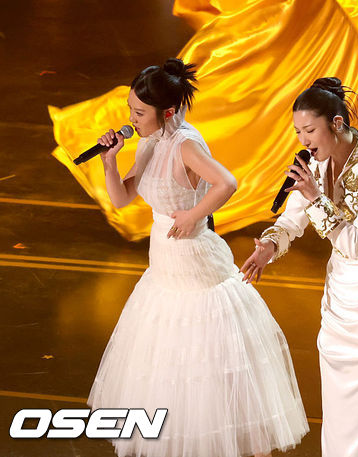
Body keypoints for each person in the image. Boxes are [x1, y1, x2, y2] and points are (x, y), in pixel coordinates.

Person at [88, 58, 308, 457]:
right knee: (168, 366)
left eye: (139, 113)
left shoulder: (185, 144)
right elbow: (121, 198)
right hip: (165, 267)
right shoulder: (150, 141)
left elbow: (227, 182)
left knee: (205, 367)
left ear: (167, 111)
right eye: (130, 110)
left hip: (196, 265)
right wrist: (109, 161)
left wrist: (194, 215)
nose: (131, 119)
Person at [240, 77, 358, 457]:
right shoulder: (314, 164)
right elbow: (292, 220)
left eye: (310, 130)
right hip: (339, 304)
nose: (304, 140)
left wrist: (316, 197)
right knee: (345, 417)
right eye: (298, 132)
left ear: (337, 124)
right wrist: (269, 247)